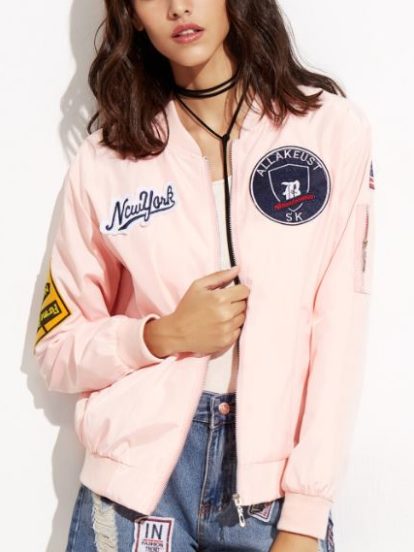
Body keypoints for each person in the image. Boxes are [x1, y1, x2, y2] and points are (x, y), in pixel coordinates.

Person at [33, 1, 375, 551]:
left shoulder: (329, 130)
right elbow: (57, 348)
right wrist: (159, 335)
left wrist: (305, 518)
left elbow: (340, 329)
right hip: (138, 482)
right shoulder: (108, 160)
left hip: (272, 488)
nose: (179, 7)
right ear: (131, 13)